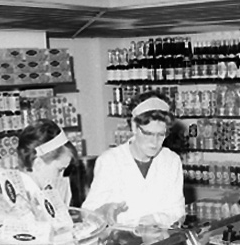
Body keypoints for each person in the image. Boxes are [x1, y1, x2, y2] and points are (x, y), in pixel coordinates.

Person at [82, 90, 185, 228]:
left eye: (161, 134)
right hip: (120, 240)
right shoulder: (110, 161)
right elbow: (88, 213)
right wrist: (103, 211)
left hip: (159, 238)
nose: (154, 142)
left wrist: (154, 219)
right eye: (148, 133)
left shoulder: (171, 160)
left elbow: (178, 211)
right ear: (134, 127)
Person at [16, 119, 78, 207]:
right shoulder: (26, 201)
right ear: (38, 164)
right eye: (60, 170)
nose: (61, 177)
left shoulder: (35, 191)